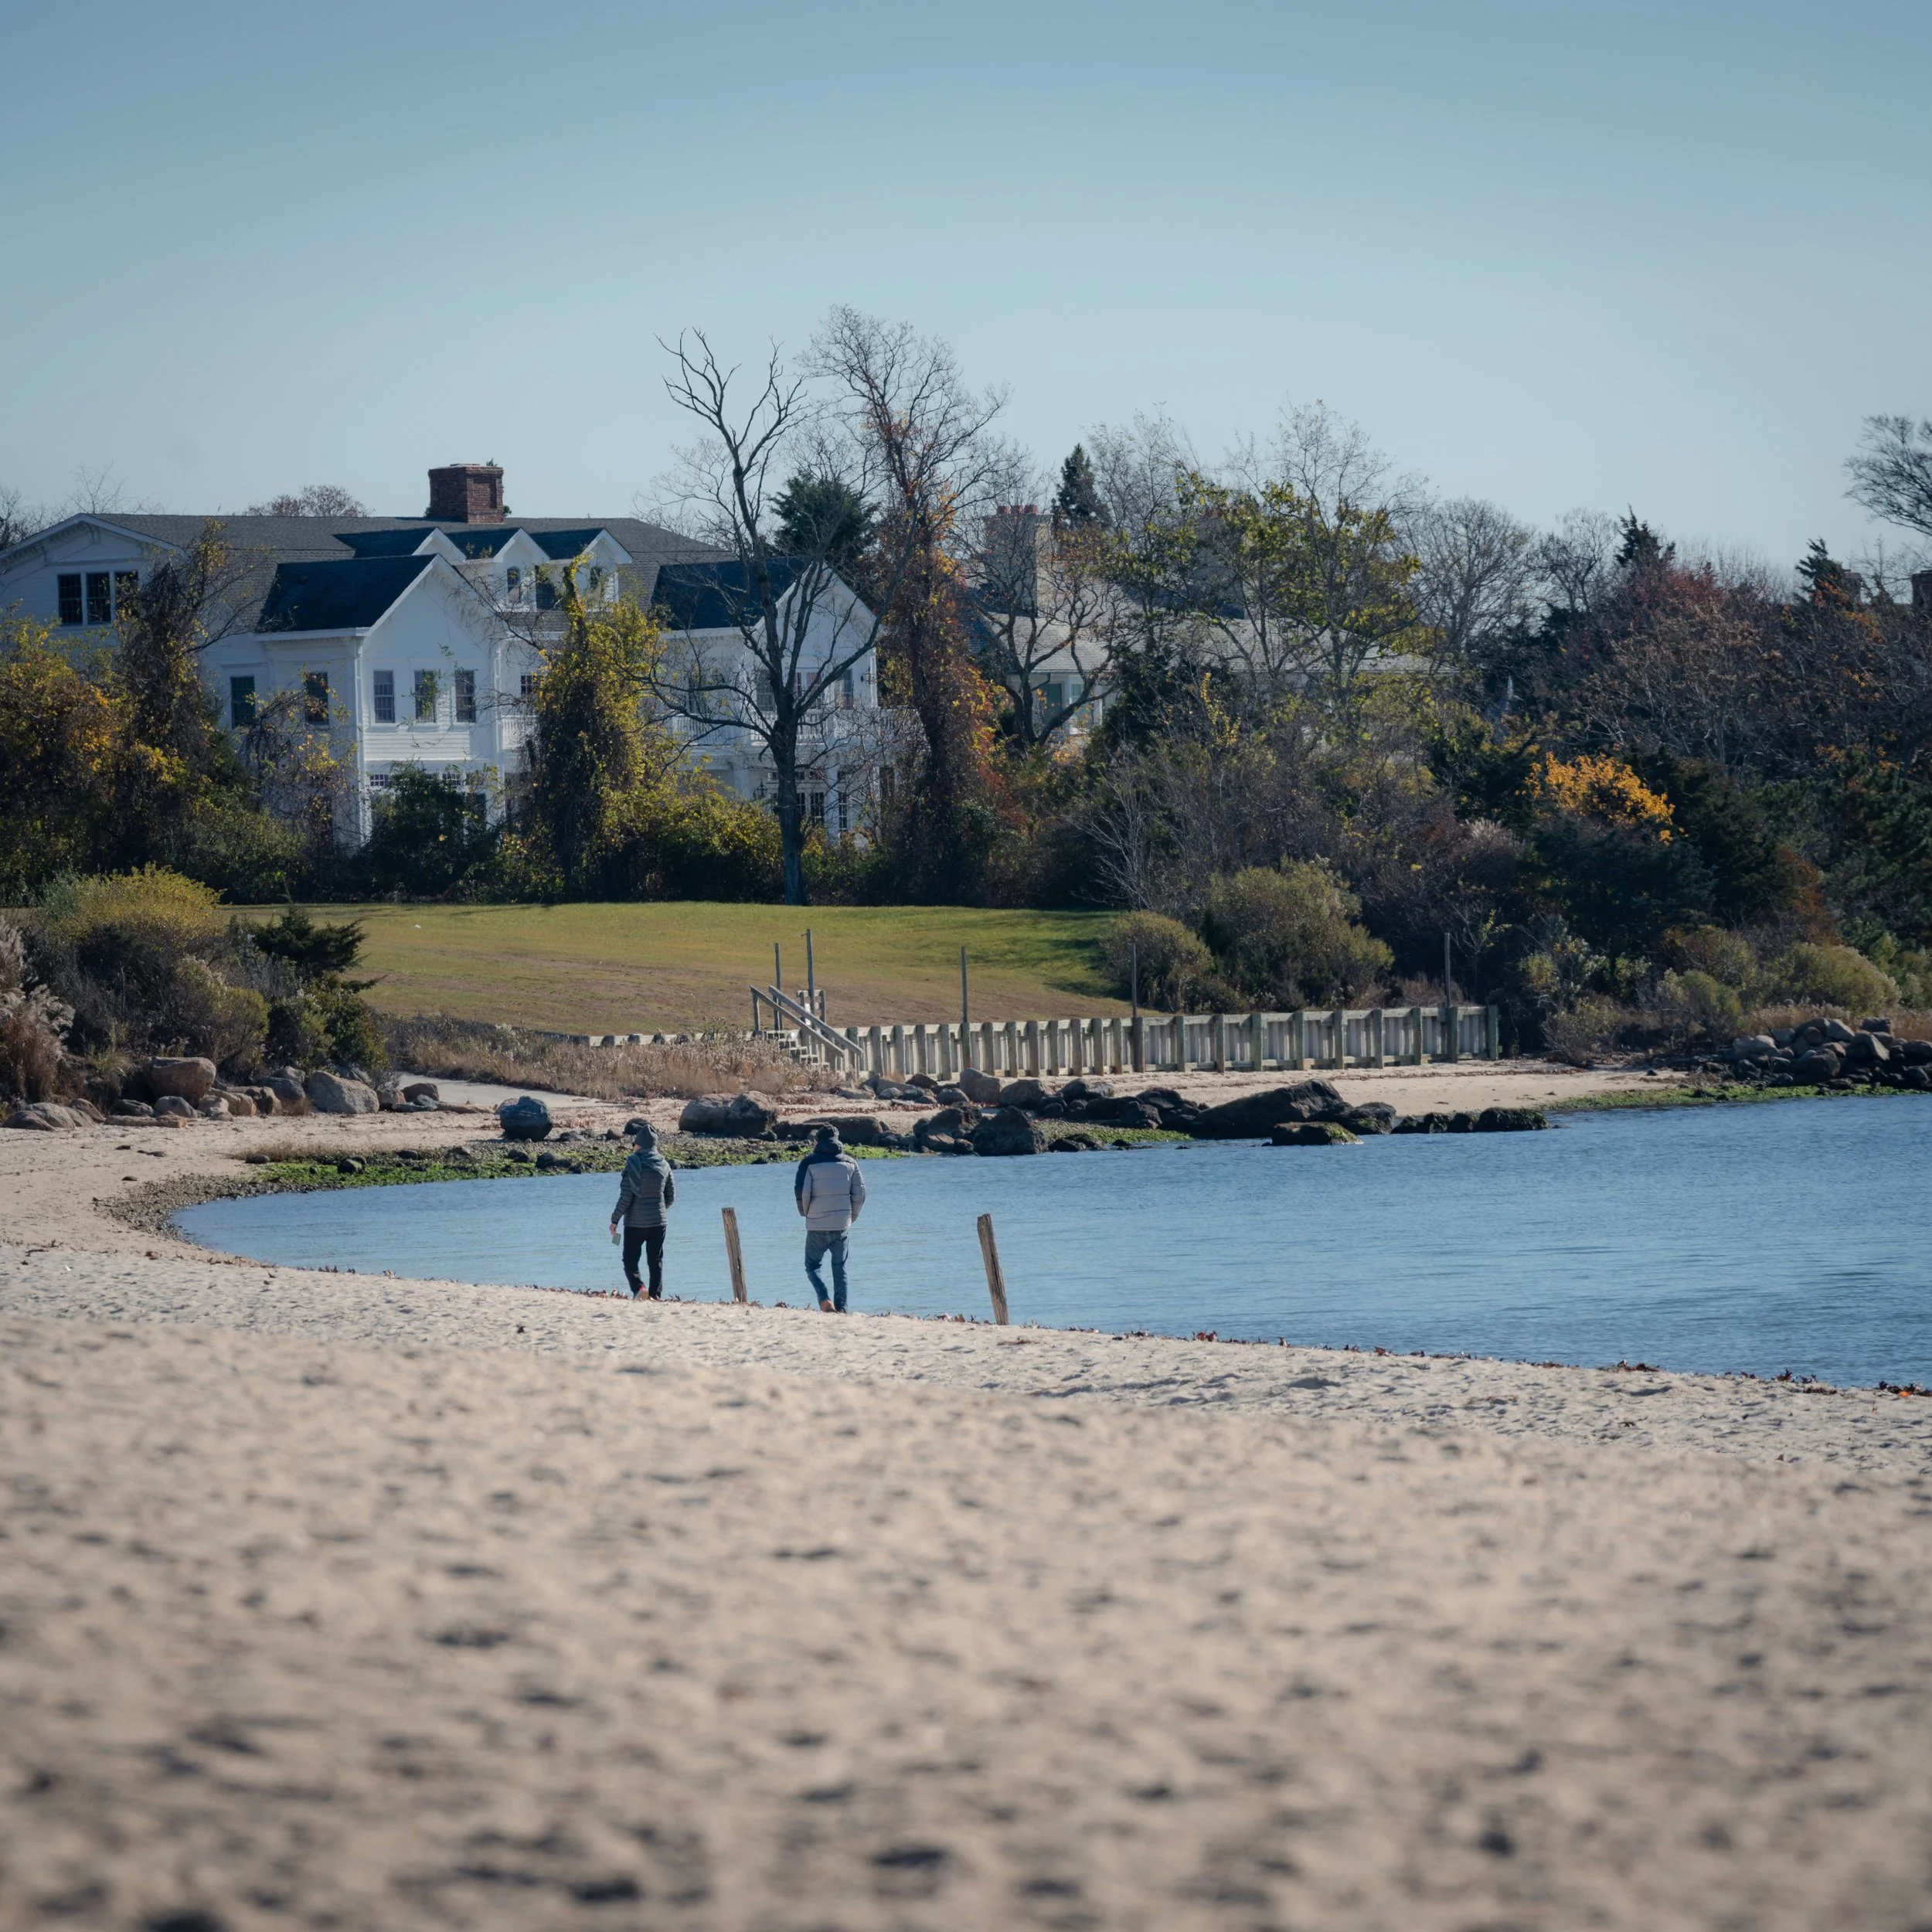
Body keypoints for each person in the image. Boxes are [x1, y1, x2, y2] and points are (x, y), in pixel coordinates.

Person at [794, 1124, 866, 1313]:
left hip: (816, 1225)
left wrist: (807, 1214)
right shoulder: (851, 1163)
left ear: (817, 1141)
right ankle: (842, 1309)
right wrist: (851, 1217)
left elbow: (803, 1193)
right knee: (840, 1269)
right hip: (841, 1225)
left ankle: (824, 1299)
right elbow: (860, 1195)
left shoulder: (808, 1163)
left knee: (812, 1266)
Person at [611, 1118, 675, 1300]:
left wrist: (615, 1219)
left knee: (630, 1260)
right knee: (656, 1261)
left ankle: (640, 1289)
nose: (633, 1147)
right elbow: (671, 1196)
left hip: (635, 1224)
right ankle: (655, 1295)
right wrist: (659, 1209)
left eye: (634, 1143)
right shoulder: (664, 1164)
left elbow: (626, 1197)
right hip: (659, 1222)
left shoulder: (632, 1164)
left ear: (640, 1145)